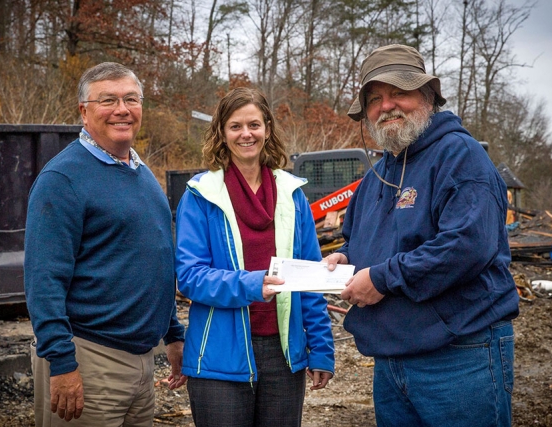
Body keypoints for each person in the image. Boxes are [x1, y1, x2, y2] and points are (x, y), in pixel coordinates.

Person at [326, 44, 520, 426]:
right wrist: (345, 259)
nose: (387, 106)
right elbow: (360, 240)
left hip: (460, 354)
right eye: (375, 98)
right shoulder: (375, 177)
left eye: (399, 92)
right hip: (392, 357)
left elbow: (467, 245)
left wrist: (381, 278)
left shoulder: (459, 156)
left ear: (427, 96)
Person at [24, 62, 186, 427]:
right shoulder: (62, 179)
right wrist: (63, 364)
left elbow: (156, 261)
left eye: (131, 99)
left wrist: (173, 333)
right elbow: (43, 280)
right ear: (84, 110)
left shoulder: (141, 174)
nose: (122, 109)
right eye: (108, 100)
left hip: (143, 361)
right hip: (90, 358)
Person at [175, 87, 335, 427]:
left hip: (283, 354)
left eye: (254, 125)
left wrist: (320, 348)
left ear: (267, 129)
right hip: (220, 356)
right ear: (221, 133)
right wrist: (252, 284)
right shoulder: (201, 195)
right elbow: (189, 276)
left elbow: (309, 278)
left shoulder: (292, 195)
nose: (246, 134)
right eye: (235, 126)